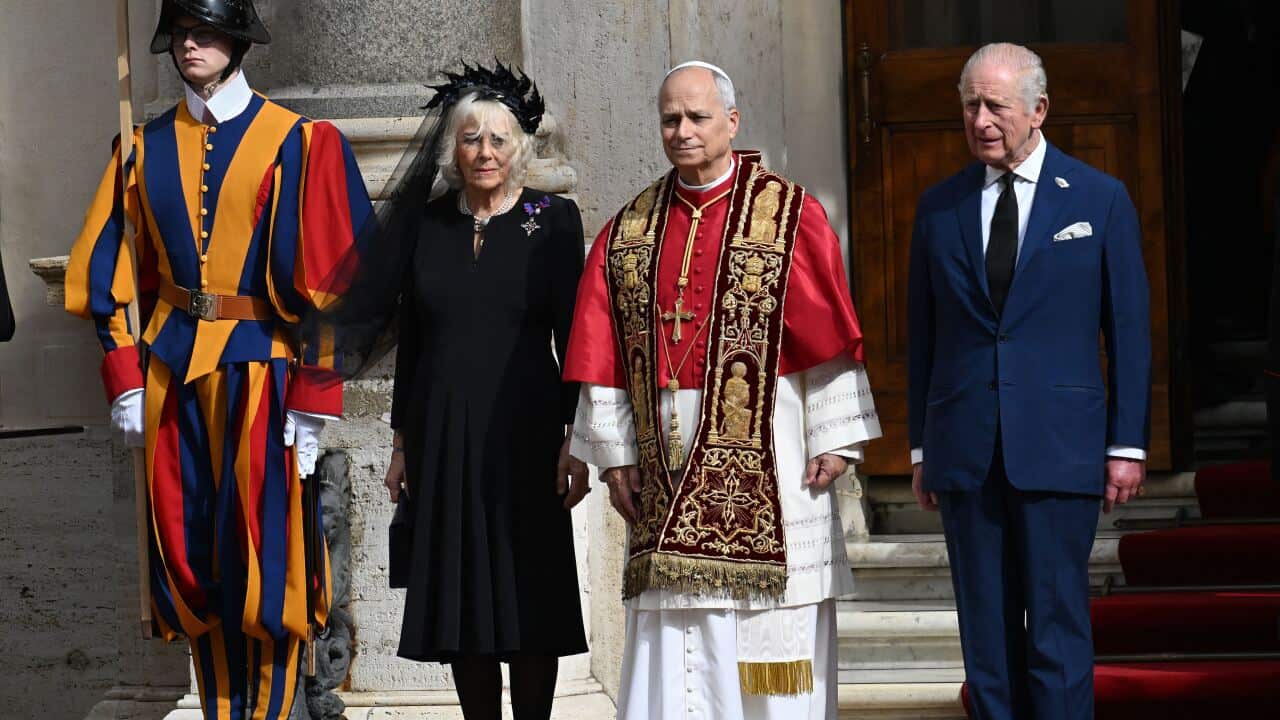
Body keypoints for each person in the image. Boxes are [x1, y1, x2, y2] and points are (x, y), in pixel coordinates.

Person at [63, 1, 373, 717]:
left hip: (264, 373)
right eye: (180, 33)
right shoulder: (138, 147)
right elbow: (108, 279)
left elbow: (333, 287)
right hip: (173, 377)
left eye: (204, 31)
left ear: (238, 42)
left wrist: (314, 399)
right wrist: (124, 378)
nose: (189, 44)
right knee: (195, 563)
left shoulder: (297, 142)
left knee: (268, 568)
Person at [564, 61, 881, 720]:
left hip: (779, 458)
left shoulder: (789, 215)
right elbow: (607, 359)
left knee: (773, 633)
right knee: (677, 639)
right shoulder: (629, 232)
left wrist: (839, 438)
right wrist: (616, 453)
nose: (682, 131)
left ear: (732, 122)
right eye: (670, 119)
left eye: (697, 117)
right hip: (666, 465)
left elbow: (828, 338)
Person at [906, 43, 1151, 719]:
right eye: (969, 105)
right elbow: (923, 335)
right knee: (986, 642)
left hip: (1059, 448)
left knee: (1056, 633)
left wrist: (1126, 444)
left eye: (995, 105)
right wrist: (922, 446)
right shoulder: (939, 207)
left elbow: (1127, 328)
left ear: (1039, 110)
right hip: (965, 448)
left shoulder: (1099, 199)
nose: (980, 119)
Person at [377, 64, 589, 720]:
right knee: (462, 602)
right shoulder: (430, 223)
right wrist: (401, 442)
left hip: (525, 435)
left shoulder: (551, 221)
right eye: (471, 139)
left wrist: (574, 439)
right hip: (441, 434)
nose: (485, 151)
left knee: (527, 597)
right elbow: (412, 339)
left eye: (499, 139)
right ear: (454, 149)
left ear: (518, 146)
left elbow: (574, 339)